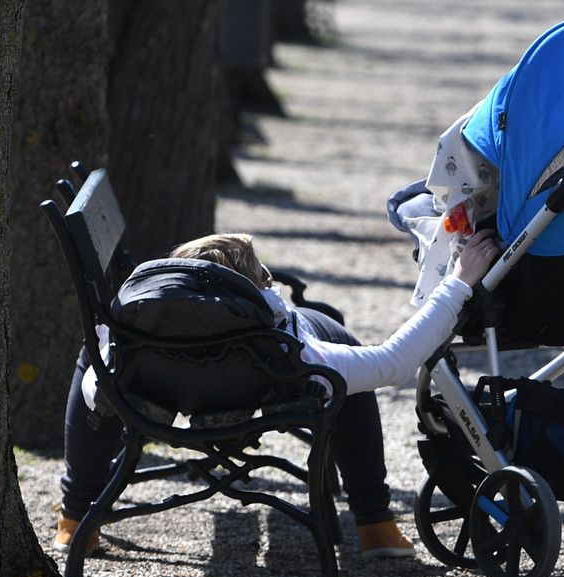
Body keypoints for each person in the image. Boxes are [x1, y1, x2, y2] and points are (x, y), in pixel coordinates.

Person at [55, 229, 500, 559]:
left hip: (157, 377)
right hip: (257, 379)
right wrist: (459, 281)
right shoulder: (292, 343)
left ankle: (75, 516)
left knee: (90, 357)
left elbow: (95, 389)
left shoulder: (135, 325)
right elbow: (394, 362)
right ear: (261, 294)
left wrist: (105, 391)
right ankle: (375, 522)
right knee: (346, 368)